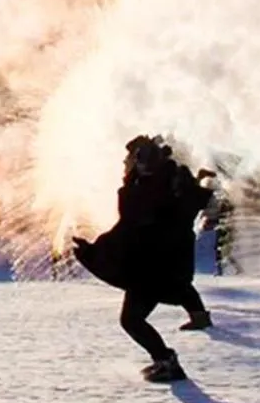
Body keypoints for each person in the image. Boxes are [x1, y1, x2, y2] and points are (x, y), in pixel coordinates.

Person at [73, 136, 212, 383]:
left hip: (151, 271)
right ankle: (194, 322)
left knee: (131, 320)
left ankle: (166, 362)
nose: (125, 164)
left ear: (142, 163)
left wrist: (91, 252)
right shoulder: (169, 180)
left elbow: (128, 225)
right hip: (167, 266)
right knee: (178, 291)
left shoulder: (144, 191)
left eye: (129, 160)